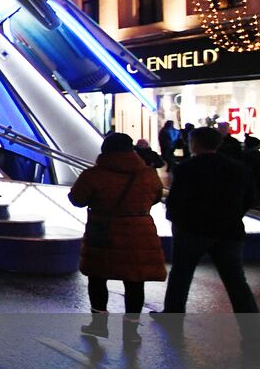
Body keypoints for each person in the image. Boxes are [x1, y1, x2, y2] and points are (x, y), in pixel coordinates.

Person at [69, 132, 166, 332]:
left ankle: (99, 324)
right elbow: (156, 197)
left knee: (97, 277)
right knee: (135, 280)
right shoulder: (148, 174)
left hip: (103, 230)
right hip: (139, 231)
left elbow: (77, 199)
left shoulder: (94, 175)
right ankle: (131, 330)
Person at [162, 126, 259, 313]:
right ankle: (249, 317)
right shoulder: (239, 168)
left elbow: (175, 200)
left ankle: (173, 313)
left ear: (195, 144)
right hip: (229, 230)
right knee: (235, 279)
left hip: (192, 230)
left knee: (181, 274)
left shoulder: (185, 169)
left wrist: (176, 220)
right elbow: (249, 198)